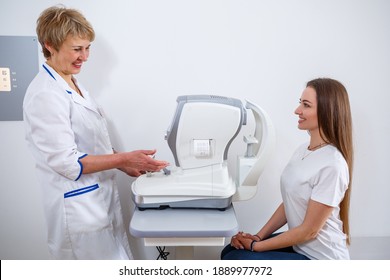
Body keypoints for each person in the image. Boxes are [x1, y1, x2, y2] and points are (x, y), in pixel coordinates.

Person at [23, 5, 169, 260]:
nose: (85, 56)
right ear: (49, 45)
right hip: (77, 212)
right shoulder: (45, 94)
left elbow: (88, 143)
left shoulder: (71, 83)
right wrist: (124, 159)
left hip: (96, 203)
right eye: (77, 49)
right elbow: (66, 162)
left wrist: (124, 165)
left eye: (87, 47)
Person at [221, 78, 353, 260]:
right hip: (301, 247)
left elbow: (309, 231)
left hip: (321, 258)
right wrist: (257, 238)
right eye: (300, 103)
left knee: (236, 259)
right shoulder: (302, 150)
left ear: (327, 111)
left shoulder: (333, 164)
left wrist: (256, 247)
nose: (297, 110)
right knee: (230, 251)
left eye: (306, 105)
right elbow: (290, 203)